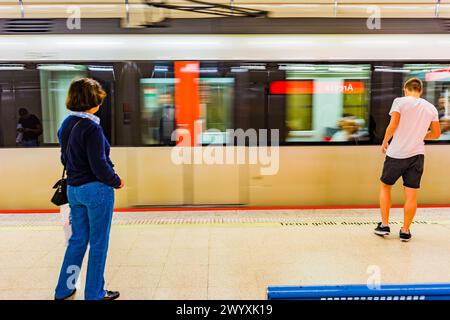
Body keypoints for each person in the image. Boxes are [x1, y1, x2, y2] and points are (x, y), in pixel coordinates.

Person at [54, 78, 124, 300]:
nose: (100, 103)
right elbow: (99, 165)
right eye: (99, 100)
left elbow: (64, 158)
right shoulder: (92, 128)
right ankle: (95, 293)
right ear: (92, 101)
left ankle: (64, 289)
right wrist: (116, 180)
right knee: (98, 243)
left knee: (77, 240)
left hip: (74, 190)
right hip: (96, 191)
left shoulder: (66, 124)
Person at [375, 78, 441, 242]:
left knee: (385, 186)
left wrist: (385, 141)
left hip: (396, 153)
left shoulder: (400, 102)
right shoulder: (430, 108)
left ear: (405, 89)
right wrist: (420, 135)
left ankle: (384, 226)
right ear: (421, 90)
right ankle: (405, 231)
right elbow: (436, 134)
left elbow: (393, 124)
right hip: (417, 155)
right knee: (411, 194)